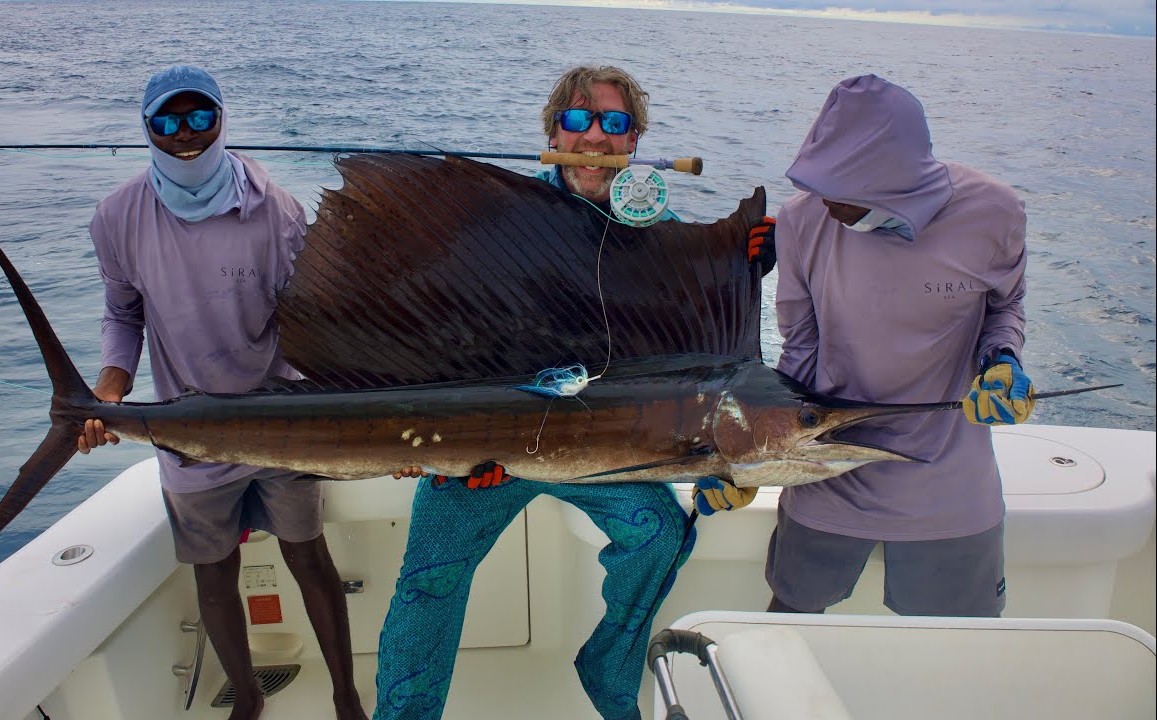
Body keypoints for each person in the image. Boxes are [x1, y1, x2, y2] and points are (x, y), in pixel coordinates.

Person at [372, 65, 774, 720]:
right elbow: (433, 333)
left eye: (613, 123)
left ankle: (609, 672)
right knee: (427, 586)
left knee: (661, 534)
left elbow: (699, 370)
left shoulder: (658, 235)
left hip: (597, 452)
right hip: (487, 454)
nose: (593, 137)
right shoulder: (500, 224)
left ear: (634, 140)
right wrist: (436, 444)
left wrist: (742, 266)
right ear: (553, 130)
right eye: (578, 121)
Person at [76, 65, 366, 720]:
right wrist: (111, 387)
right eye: (168, 121)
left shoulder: (278, 211)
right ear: (148, 129)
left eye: (200, 117)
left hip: (282, 417)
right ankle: (249, 697)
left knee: (307, 554)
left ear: (221, 120)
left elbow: (316, 322)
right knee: (213, 570)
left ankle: (347, 698)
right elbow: (123, 315)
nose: (186, 134)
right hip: (191, 428)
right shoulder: (116, 218)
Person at [698, 74, 1032, 619]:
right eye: (821, 186)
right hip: (825, 476)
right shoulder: (803, 219)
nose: (829, 205)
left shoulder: (995, 212)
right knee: (789, 631)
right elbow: (798, 357)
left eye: (843, 194)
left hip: (947, 488)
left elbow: (1004, 307)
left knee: (958, 662)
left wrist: (1003, 362)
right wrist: (745, 466)